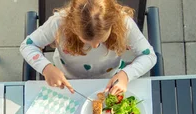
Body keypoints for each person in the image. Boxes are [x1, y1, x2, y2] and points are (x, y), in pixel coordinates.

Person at [20, 0, 157, 95]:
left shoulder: (124, 23)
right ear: (72, 25)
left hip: (109, 80)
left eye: (101, 40)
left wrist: (126, 75)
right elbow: (28, 45)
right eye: (87, 41)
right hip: (67, 80)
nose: (95, 46)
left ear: (112, 23)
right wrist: (46, 68)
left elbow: (149, 56)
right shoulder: (59, 23)